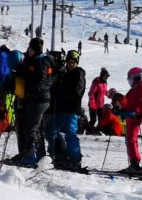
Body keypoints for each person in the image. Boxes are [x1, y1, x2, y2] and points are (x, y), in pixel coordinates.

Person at [11, 37, 53, 167]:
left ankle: (31, 155)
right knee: (33, 127)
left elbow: (40, 80)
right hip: (39, 98)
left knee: (30, 127)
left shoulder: (40, 61)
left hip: (39, 99)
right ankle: (36, 154)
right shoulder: (37, 60)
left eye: (30, 48)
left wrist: (30, 92)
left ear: (33, 49)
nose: (28, 50)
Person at [45, 49, 86, 170]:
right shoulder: (64, 73)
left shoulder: (78, 73)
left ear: (76, 63)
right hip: (61, 108)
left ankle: (75, 160)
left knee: (70, 133)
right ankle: (61, 155)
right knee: (50, 130)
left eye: (73, 62)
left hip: (71, 109)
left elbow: (77, 91)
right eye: (68, 62)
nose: (70, 64)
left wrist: (64, 94)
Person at [119, 67, 142, 175]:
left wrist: (133, 112)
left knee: (131, 139)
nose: (130, 81)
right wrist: (121, 108)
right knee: (130, 139)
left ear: (137, 77)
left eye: (131, 78)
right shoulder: (136, 88)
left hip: (135, 117)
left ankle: (135, 164)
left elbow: (141, 103)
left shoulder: (141, 87)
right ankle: (134, 163)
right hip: (131, 116)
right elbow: (128, 101)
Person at [87, 69, 109, 133]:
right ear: (102, 75)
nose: (107, 77)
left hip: (100, 104)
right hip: (93, 104)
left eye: (107, 76)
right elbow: (91, 93)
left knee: (101, 119)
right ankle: (88, 130)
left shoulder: (105, 82)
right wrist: (92, 104)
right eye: (106, 76)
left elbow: (104, 92)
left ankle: (97, 130)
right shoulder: (96, 82)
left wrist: (109, 94)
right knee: (93, 120)